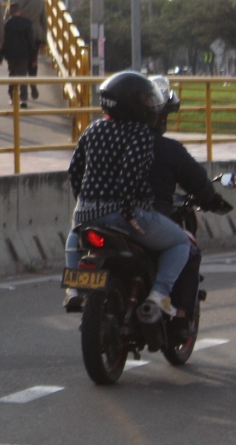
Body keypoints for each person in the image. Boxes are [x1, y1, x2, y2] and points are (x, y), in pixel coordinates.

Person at [64, 72, 191, 318]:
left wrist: (85, 202)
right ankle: (159, 295)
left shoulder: (94, 129)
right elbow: (130, 173)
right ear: (134, 105)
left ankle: (74, 289)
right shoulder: (140, 133)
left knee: (74, 236)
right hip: (126, 215)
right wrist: (127, 210)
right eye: (146, 100)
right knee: (180, 242)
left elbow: (75, 170)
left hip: (86, 213)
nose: (151, 105)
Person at [6, 0, 47, 99]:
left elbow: (6, 18)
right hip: (35, 34)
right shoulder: (40, 2)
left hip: (17, 35)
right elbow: (44, 21)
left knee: (18, 63)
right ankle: (32, 82)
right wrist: (44, 39)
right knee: (33, 61)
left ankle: (16, 92)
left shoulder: (13, 1)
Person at [2, 2, 36, 108]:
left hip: (11, 53)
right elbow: (31, 41)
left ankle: (12, 96)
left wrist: (2, 53)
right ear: (20, 11)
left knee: (12, 74)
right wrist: (33, 56)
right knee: (22, 76)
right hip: (24, 54)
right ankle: (23, 99)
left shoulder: (7, 24)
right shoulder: (27, 23)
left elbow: (4, 40)